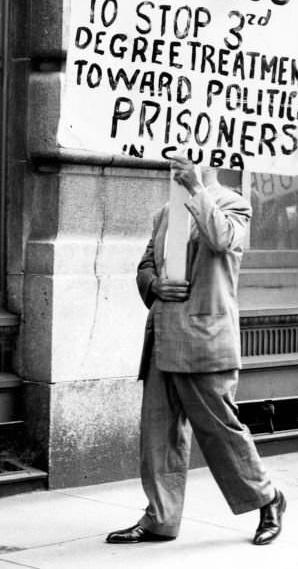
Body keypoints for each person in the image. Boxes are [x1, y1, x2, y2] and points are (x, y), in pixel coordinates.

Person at [106, 155, 286, 546]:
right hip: (162, 338)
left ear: (213, 160)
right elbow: (145, 264)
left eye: (190, 156)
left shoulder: (233, 204)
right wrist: (154, 284)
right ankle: (160, 518)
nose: (178, 162)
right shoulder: (163, 213)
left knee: (220, 431)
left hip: (205, 339)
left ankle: (268, 498)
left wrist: (196, 189)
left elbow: (221, 240)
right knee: (158, 436)